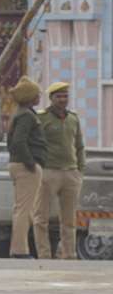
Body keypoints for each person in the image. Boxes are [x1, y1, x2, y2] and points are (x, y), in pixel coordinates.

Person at [33, 82, 86, 259]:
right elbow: (35, 143)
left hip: (71, 172)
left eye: (65, 96)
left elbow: (79, 146)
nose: (63, 100)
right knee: (41, 217)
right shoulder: (42, 118)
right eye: (59, 97)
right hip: (49, 172)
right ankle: (44, 255)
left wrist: (80, 170)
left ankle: (69, 255)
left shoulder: (73, 118)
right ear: (51, 99)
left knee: (69, 219)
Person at [7, 77, 46, 259]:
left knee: (21, 209)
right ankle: (20, 251)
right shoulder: (27, 116)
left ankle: (18, 249)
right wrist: (31, 163)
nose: (39, 96)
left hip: (19, 164)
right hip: (25, 166)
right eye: (37, 94)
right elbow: (19, 141)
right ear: (31, 96)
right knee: (24, 210)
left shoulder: (21, 113)